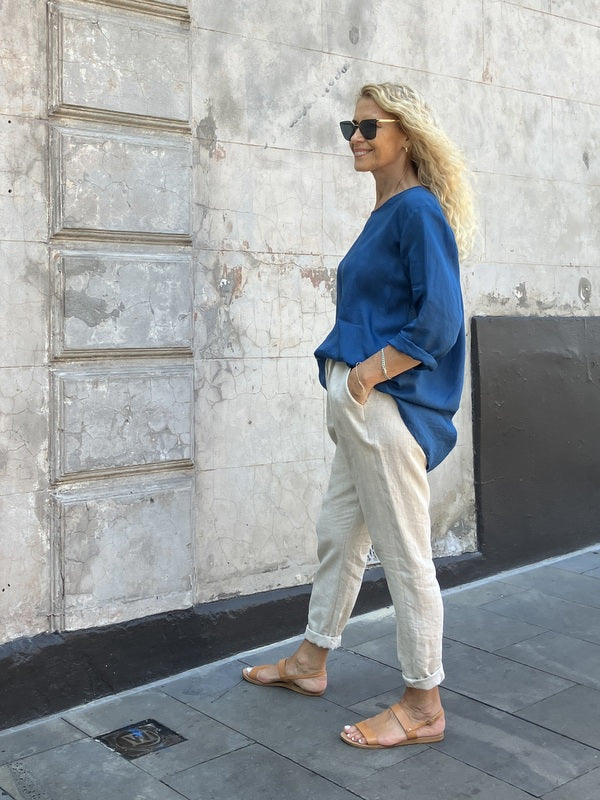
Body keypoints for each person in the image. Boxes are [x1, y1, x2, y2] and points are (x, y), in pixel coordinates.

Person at [243, 82, 475, 749]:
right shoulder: (387, 212)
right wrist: (349, 386)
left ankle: (423, 702)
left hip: (386, 409)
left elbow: (441, 319)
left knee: (404, 554)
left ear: (407, 133)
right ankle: (311, 660)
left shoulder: (418, 211)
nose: (356, 138)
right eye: (351, 127)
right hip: (360, 408)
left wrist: (370, 374)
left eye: (370, 126)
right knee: (339, 535)